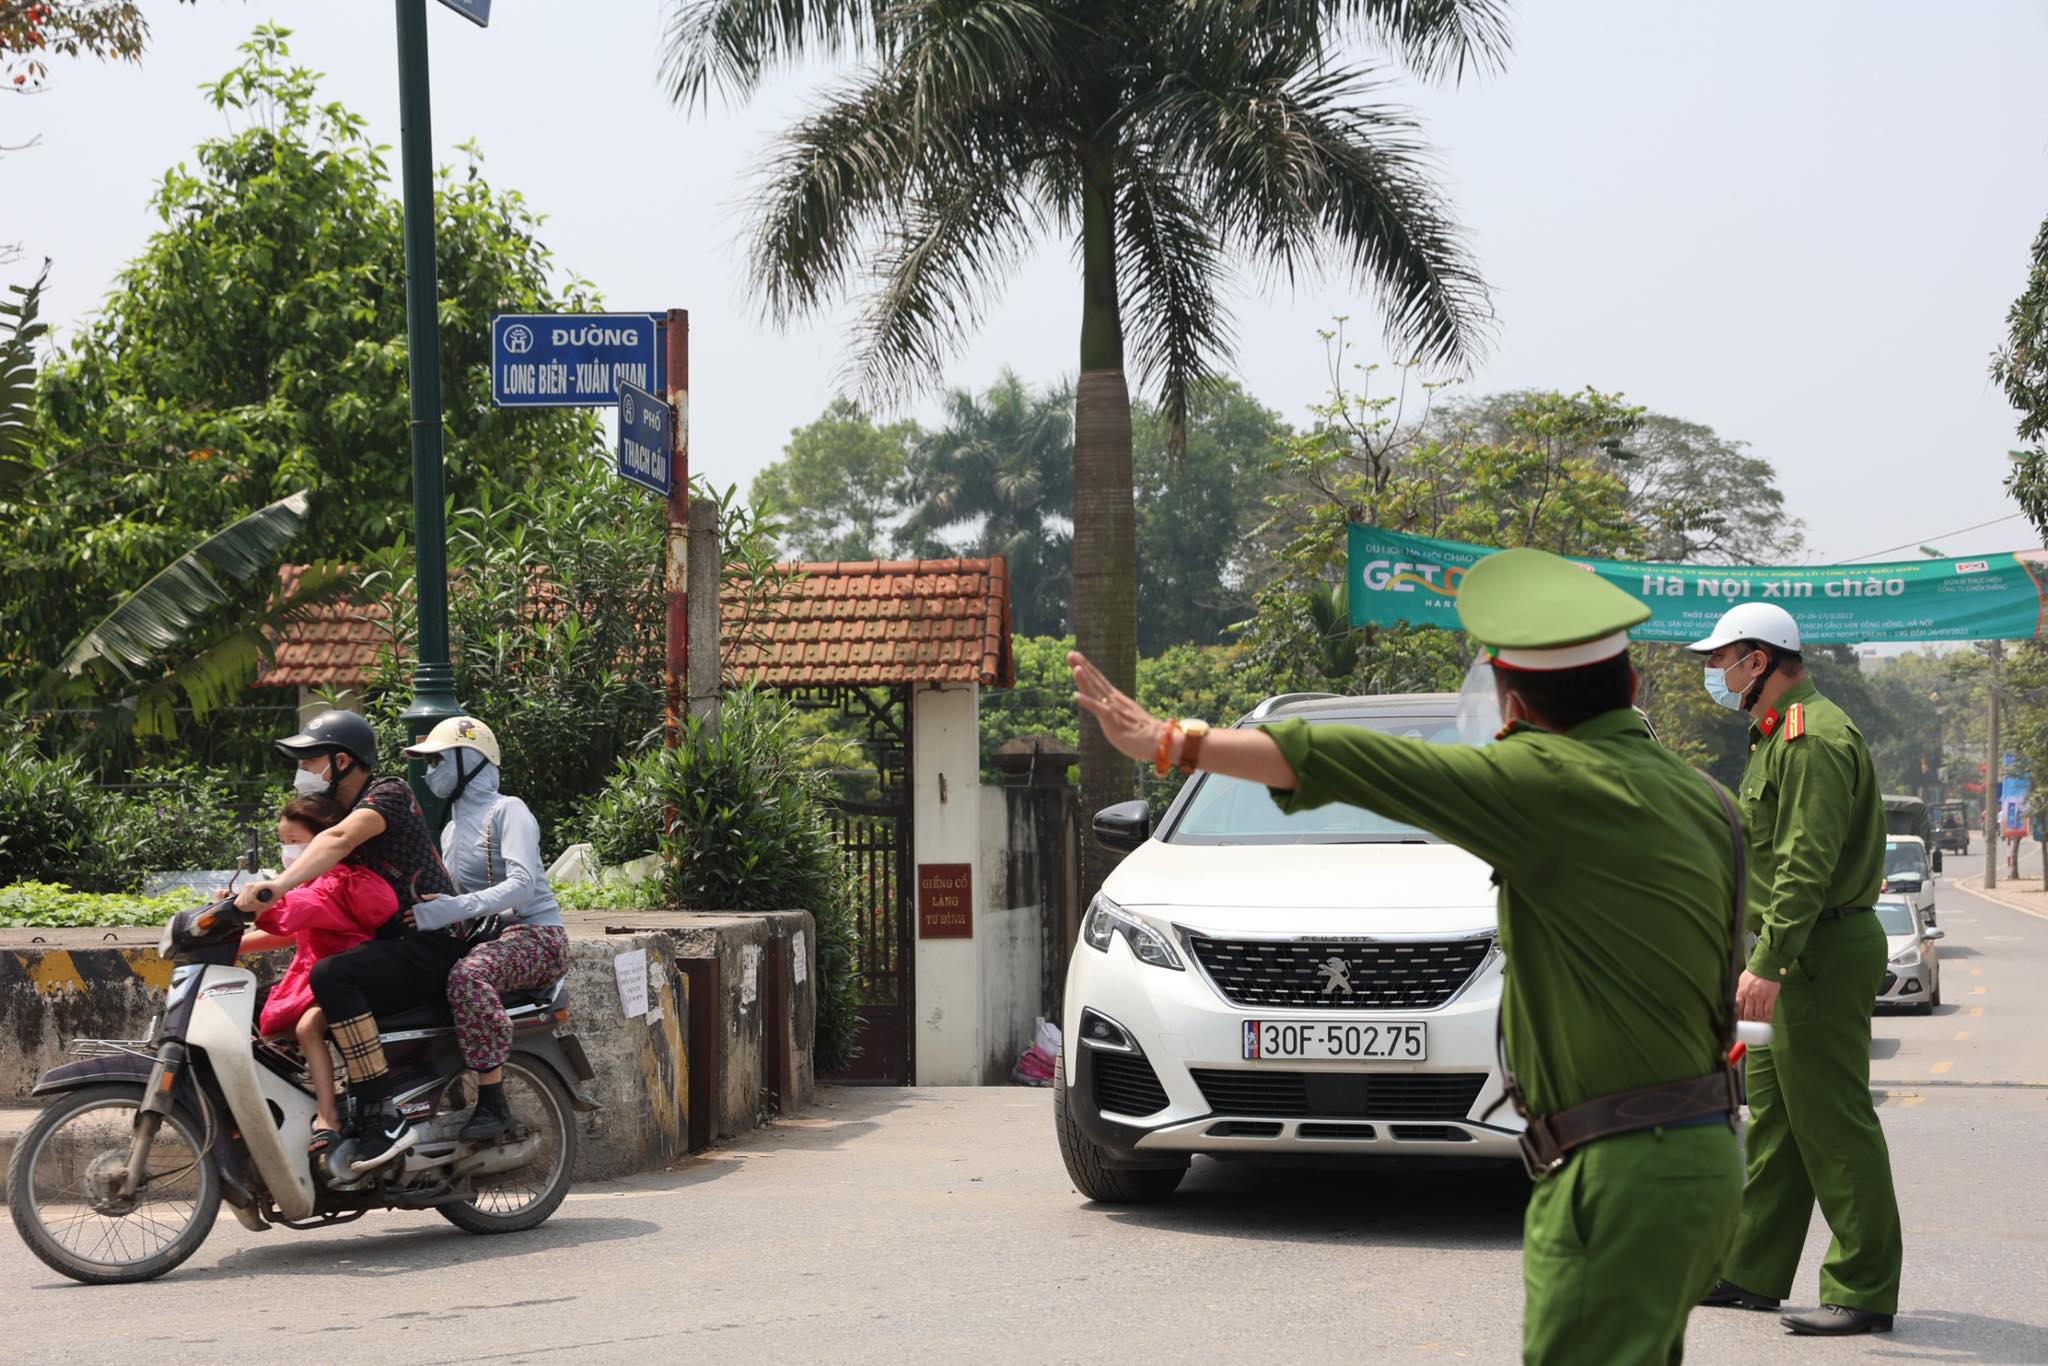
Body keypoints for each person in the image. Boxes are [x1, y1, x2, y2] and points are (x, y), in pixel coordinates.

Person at [1070, 548, 1744, 1366]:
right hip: (1702, 1154)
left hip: (1620, 1173)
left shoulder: (1544, 783)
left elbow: (1357, 763)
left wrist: (1174, 741)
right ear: (1633, 689)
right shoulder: (1704, 798)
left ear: (1515, 701)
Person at [1690, 603, 1903, 1337]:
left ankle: (1863, 1285)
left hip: (1817, 951)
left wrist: (1772, 960)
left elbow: (1807, 864)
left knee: (1833, 1117)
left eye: (1724, 660)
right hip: (1790, 948)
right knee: (1777, 1115)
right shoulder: (1777, 736)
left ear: (1760, 660)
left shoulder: (1812, 740)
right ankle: (1751, 1269)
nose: (1717, 674)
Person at [234, 709, 460, 1171]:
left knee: (334, 974)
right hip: (392, 945)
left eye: (311, 760)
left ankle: (383, 1115)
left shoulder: (389, 794)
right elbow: (322, 851)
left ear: (341, 761)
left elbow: (335, 840)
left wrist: (276, 887)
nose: (304, 773)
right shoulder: (347, 812)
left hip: (432, 942)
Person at [401, 717, 570, 1143]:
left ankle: (493, 1100)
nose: (430, 771)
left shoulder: (508, 811)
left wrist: (454, 907)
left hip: (536, 936)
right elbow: (455, 901)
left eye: (439, 760)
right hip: (488, 938)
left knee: (468, 977)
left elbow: (521, 885)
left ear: (469, 761)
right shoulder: (453, 829)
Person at [237, 793, 400, 1152]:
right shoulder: (311, 883)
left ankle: (328, 1115)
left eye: (295, 842)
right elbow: (291, 933)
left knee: (307, 1026)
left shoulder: (335, 882)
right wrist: (233, 940)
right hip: (312, 974)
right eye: (283, 843)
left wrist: (260, 904)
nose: (288, 851)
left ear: (322, 840)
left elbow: (295, 912)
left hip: (343, 977)